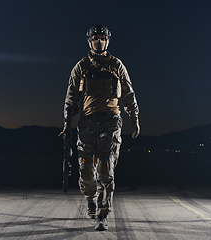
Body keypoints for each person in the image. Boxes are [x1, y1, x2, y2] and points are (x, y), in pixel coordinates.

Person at [60, 24, 140, 231]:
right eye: (95, 37)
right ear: (89, 41)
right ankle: (91, 200)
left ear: (107, 40)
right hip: (87, 122)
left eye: (102, 37)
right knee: (86, 170)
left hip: (111, 121)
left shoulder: (117, 65)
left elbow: (129, 93)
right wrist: (67, 121)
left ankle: (102, 215)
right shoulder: (82, 67)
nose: (99, 40)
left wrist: (135, 118)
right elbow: (71, 97)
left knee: (105, 169)